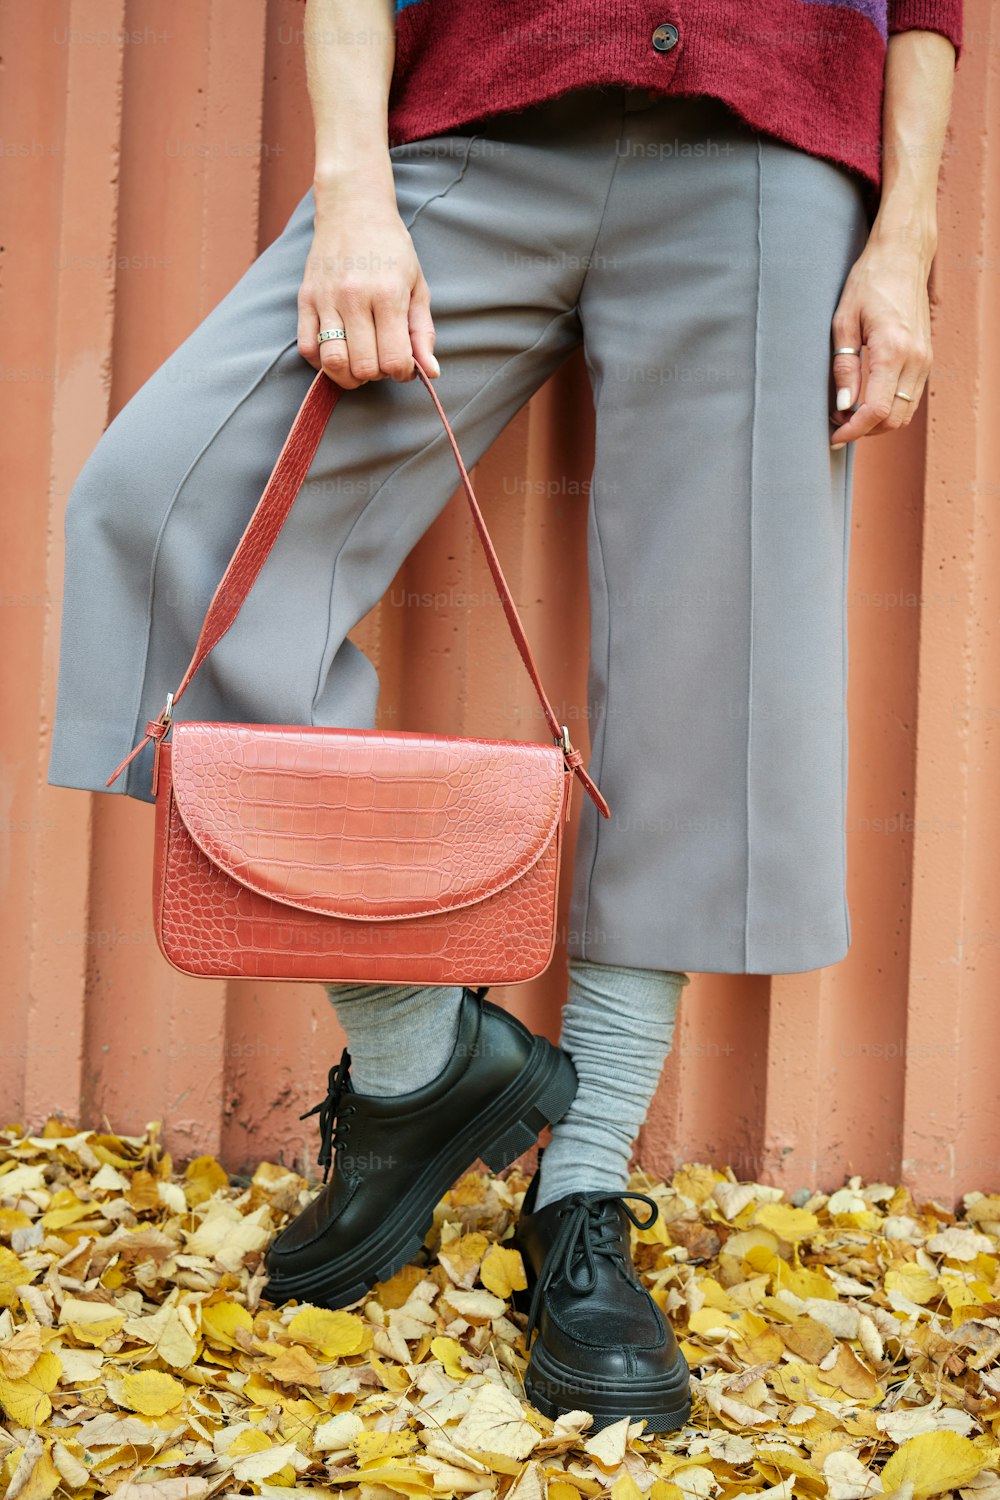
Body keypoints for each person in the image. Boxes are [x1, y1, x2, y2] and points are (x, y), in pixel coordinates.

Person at [47, 0, 962, 1434]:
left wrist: (903, 243)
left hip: (773, 157)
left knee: (720, 681)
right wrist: (352, 185)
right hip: (472, 128)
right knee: (162, 516)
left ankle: (582, 1189)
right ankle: (422, 1056)